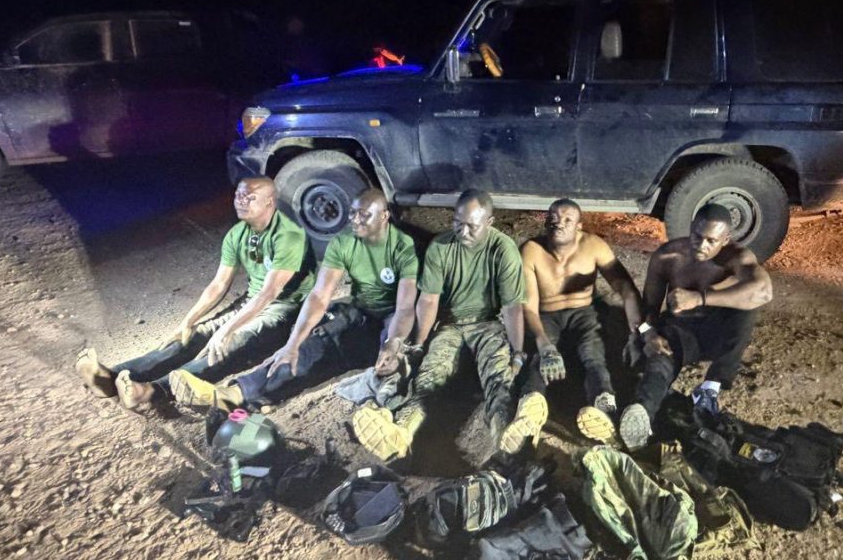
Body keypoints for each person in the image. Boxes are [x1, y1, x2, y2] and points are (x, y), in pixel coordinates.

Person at [74, 177, 317, 413]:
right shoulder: (238, 234)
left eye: (250, 198)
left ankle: (152, 392)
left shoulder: (288, 235)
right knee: (193, 334)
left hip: (287, 309)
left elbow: (269, 293)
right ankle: (110, 378)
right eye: (238, 196)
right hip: (250, 302)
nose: (241, 202)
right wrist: (187, 322)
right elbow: (219, 284)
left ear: (269, 202)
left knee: (226, 344)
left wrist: (227, 330)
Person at [168, 189, 418, 410]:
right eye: (352, 213)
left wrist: (392, 343)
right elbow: (320, 295)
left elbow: (405, 308)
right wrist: (293, 343)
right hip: (360, 311)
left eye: (365, 215)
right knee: (309, 346)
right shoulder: (344, 242)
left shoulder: (404, 248)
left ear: (384, 217)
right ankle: (234, 394)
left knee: (395, 360)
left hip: (395, 319)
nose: (355, 220)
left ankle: (388, 414)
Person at [351, 189, 539, 461]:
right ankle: (401, 433)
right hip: (451, 325)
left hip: (488, 324)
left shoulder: (503, 249)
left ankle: (505, 439)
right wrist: (418, 344)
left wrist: (518, 352)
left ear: (489, 222)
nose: (463, 232)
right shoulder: (440, 247)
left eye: (472, 226)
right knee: (428, 378)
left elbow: (512, 307)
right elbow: (429, 301)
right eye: (457, 223)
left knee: (499, 378)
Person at [619, 204, 773, 450]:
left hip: (717, 331)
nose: (702, 245)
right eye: (697, 236)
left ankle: (709, 389)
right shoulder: (668, 256)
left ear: (726, 240)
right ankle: (641, 416)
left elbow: (764, 292)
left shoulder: (737, 258)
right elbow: (650, 306)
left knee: (747, 307)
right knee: (660, 360)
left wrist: (700, 298)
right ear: (691, 228)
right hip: (680, 329)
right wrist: (648, 335)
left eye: (712, 241)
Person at [519, 199, 643, 444]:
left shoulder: (593, 246)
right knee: (539, 359)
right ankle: (528, 409)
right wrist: (544, 344)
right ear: (545, 221)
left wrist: (637, 329)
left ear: (579, 226)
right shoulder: (531, 251)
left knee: (594, 355)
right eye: (554, 218)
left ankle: (604, 406)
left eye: (567, 220)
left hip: (583, 312)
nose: (559, 224)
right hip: (546, 314)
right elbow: (528, 308)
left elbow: (625, 288)